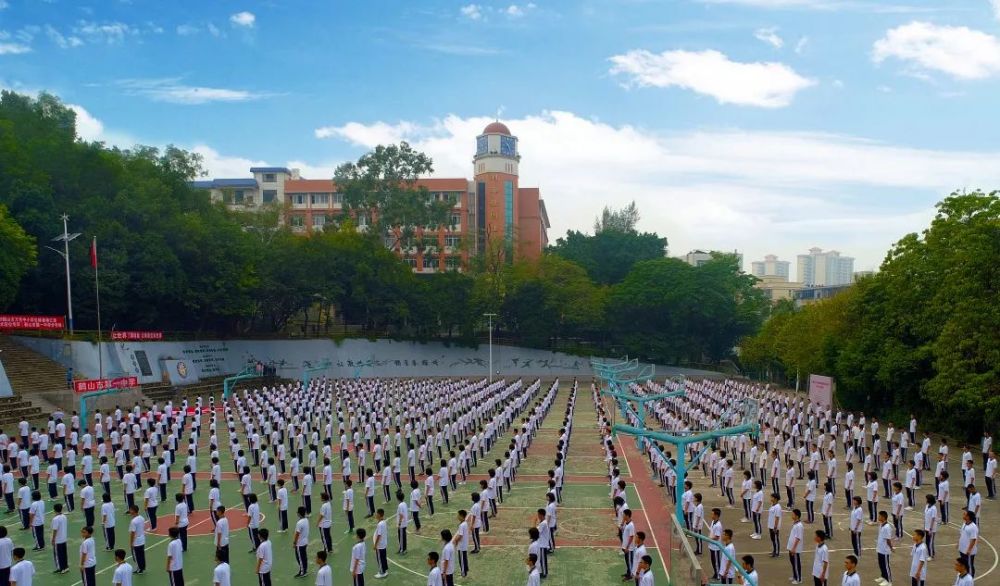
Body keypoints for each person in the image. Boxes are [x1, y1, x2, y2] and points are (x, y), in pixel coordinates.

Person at [958, 510, 978, 578]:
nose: (963, 514)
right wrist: (958, 543)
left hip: (968, 551)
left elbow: (973, 539)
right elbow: (961, 534)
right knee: (964, 565)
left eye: (965, 514)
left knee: (969, 565)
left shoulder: (973, 527)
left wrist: (969, 550)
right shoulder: (964, 524)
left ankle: (971, 579)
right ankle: (965, 577)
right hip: (962, 549)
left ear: (968, 517)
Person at [875, 510, 893, 586]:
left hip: (885, 550)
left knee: (886, 565)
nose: (878, 517)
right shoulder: (881, 525)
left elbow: (888, 539)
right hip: (880, 548)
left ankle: (889, 581)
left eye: (879, 516)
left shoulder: (887, 527)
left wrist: (891, 547)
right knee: (881, 564)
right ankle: (883, 576)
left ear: (883, 517)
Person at [128, 504, 146, 574]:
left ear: (133, 511)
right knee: (141, 555)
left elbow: (132, 533)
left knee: (136, 556)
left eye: (131, 510)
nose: (130, 511)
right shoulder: (142, 518)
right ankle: (142, 567)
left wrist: (131, 543)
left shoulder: (133, 521)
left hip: (136, 541)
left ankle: (139, 568)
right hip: (142, 539)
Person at [787, 509, 803, 584]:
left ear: (797, 516)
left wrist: (793, 548)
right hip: (791, 547)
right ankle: (794, 576)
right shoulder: (795, 524)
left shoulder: (799, 526)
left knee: (796, 563)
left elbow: (798, 538)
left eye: (793, 514)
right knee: (793, 563)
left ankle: (798, 578)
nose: (792, 515)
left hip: (795, 549)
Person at [294, 507, 311, 577]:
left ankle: (302, 572)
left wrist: (294, 542)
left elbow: (297, 534)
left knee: (300, 558)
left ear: (299, 514)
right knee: (304, 557)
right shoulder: (306, 520)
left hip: (300, 543)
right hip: (305, 541)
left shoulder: (299, 523)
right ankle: (305, 569)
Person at [373, 508, 389, 579]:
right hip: (384, 543)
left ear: (379, 514)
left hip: (380, 545)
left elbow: (379, 535)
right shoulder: (384, 522)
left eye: (376, 513)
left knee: (380, 559)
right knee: (383, 558)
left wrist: (375, 545)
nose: (375, 515)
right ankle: (385, 570)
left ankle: (382, 572)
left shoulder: (380, 524)